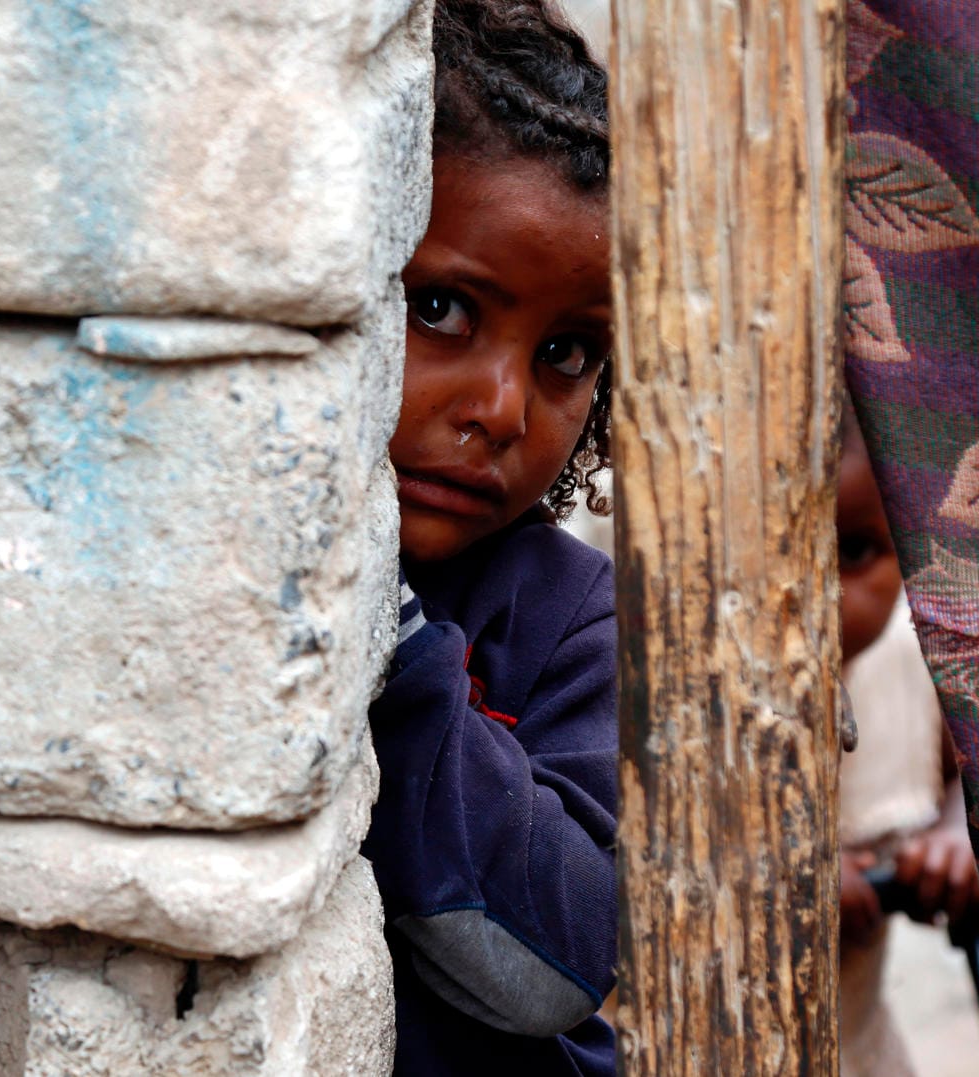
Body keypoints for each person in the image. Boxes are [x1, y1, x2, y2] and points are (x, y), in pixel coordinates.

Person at [357, 2, 618, 1074]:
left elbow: (549, 967)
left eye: (565, 350)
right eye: (445, 310)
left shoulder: (566, 618)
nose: (505, 410)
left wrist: (400, 645)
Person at [835, 417, 979, 1077]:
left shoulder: (909, 665)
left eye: (856, 552)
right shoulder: (654, 694)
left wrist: (958, 833)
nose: (818, 596)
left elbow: (970, 777)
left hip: (856, 1049)